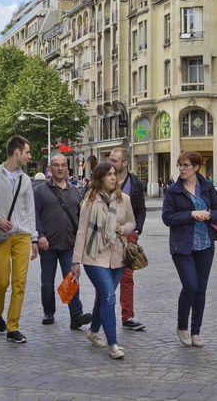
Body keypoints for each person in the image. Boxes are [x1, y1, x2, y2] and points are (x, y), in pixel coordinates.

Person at [0, 135, 39, 344]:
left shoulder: (25, 179)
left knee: (19, 283)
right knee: (1, 281)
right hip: (1, 237)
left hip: (22, 236)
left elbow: (30, 211)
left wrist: (34, 238)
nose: (29, 156)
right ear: (17, 152)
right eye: (27, 152)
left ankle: (13, 327)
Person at [71, 160, 136, 359]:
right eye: (108, 174)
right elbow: (82, 230)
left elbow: (132, 221)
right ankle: (113, 344)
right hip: (94, 255)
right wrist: (75, 261)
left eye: (115, 174)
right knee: (109, 295)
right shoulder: (89, 202)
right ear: (99, 179)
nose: (113, 178)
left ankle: (93, 331)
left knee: (103, 296)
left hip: (117, 256)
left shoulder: (124, 199)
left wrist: (124, 229)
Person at [161, 151, 217, 347]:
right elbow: (167, 218)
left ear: (196, 167)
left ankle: (196, 331)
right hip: (182, 245)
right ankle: (182, 326)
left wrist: (209, 215)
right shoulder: (173, 190)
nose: (181, 168)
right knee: (190, 285)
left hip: (205, 244)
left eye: (186, 165)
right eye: (180, 165)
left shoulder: (207, 187)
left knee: (201, 289)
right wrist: (192, 214)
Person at [34, 154, 93, 330]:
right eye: (56, 165)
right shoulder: (40, 191)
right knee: (47, 282)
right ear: (49, 169)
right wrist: (40, 236)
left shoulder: (75, 191)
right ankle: (49, 312)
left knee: (71, 279)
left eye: (63, 165)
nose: (60, 168)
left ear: (67, 168)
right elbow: (35, 216)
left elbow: (81, 218)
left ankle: (76, 315)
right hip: (48, 244)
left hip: (69, 244)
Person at [106, 147, 147, 332]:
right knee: (105, 277)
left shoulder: (135, 183)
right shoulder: (102, 179)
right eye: (109, 159)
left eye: (114, 160)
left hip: (127, 235)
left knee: (127, 276)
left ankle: (127, 315)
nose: (110, 162)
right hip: (105, 236)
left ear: (125, 163)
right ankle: (102, 313)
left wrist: (136, 230)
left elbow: (140, 210)